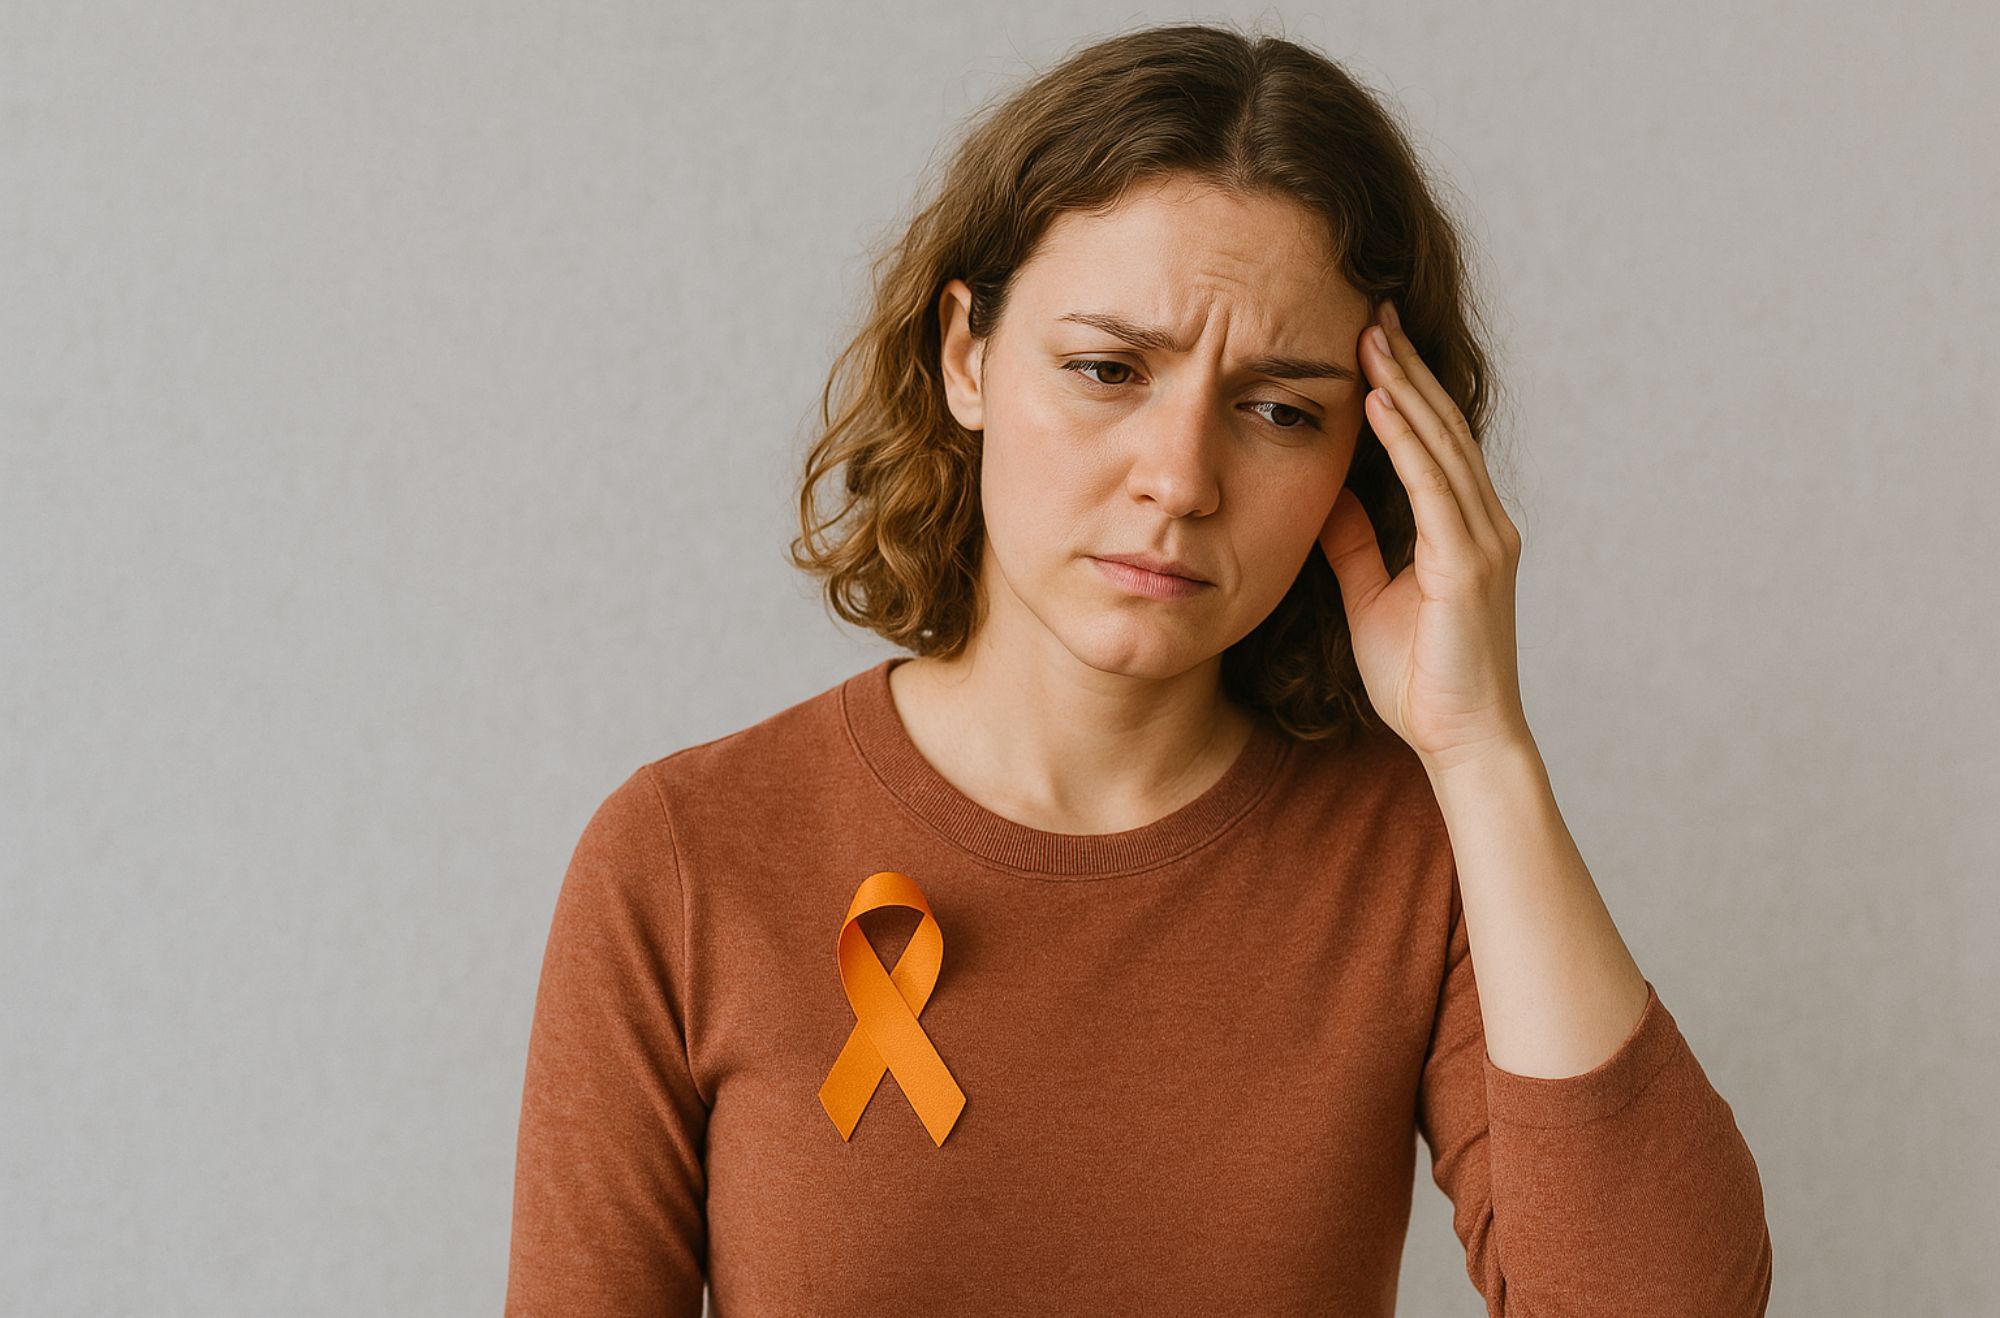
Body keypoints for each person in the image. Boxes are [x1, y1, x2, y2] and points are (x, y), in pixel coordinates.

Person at [505, 21, 1772, 1317]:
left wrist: (1483, 751)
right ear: (967, 353)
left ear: (1371, 453)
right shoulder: (683, 856)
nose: (1180, 479)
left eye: (1279, 409)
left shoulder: (1419, 855)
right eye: (1107, 369)